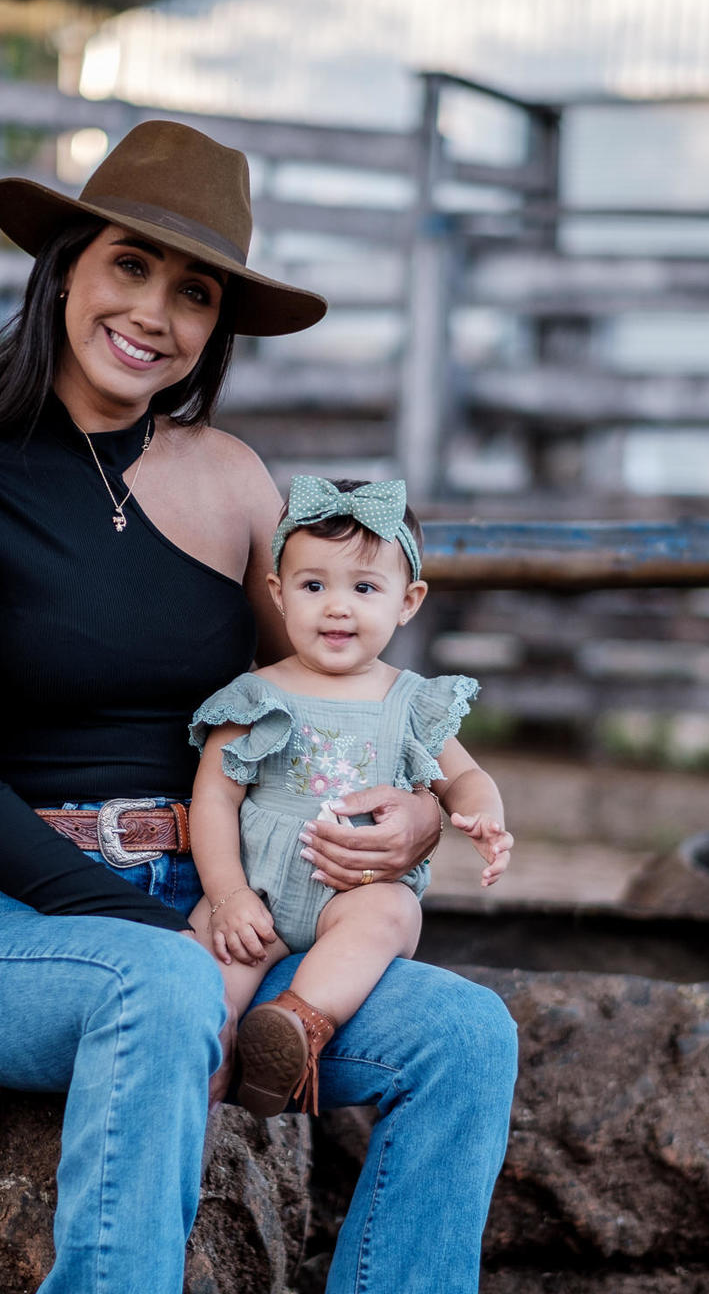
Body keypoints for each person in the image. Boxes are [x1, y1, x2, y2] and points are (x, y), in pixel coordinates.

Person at [0, 118, 529, 1294]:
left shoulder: (236, 480)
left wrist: (415, 824)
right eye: (131, 268)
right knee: (163, 991)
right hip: (11, 920)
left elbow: (326, 697)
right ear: (66, 270)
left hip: (223, 906)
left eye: (194, 293)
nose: (156, 315)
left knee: (465, 1035)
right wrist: (159, 932)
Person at [188, 474, 511, 1119]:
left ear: (408, 601)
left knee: (391, 911)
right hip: (257, 895)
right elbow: (214, 801)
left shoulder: (412, 701)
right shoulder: (256, 695)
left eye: (364, 588)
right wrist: (227, 896)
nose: (337, 608)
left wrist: (483, 815)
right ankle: (213, 1077)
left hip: (354, 896)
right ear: (277, 594)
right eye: (314, 586)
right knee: (199, 1004)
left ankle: (295, 1024)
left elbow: (464, 778)